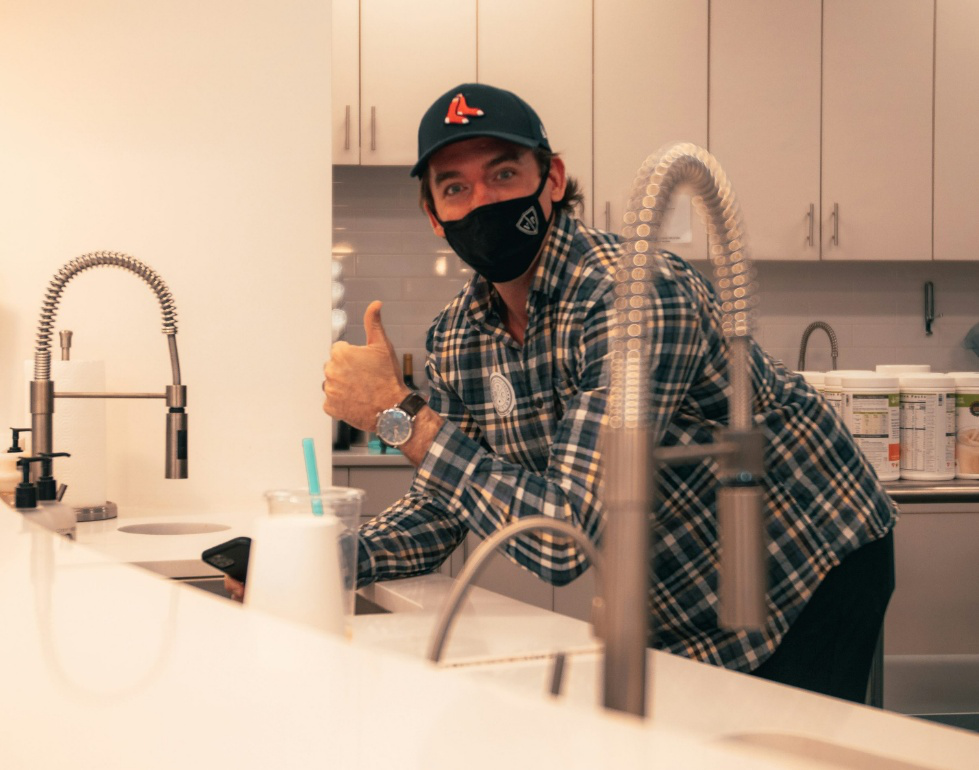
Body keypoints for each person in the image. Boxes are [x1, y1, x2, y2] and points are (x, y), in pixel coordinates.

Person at [316, 83, 896, 703]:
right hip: (680, 589)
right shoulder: (458, 336)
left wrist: (400, 415)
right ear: (435, 216)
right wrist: (326, 558)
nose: (483, 201)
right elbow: (443, 506)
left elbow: (565, 534)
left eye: (504, 174)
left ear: (552, 179)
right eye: (455, 188)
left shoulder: (634, 296)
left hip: (804, 558)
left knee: (778, 742)